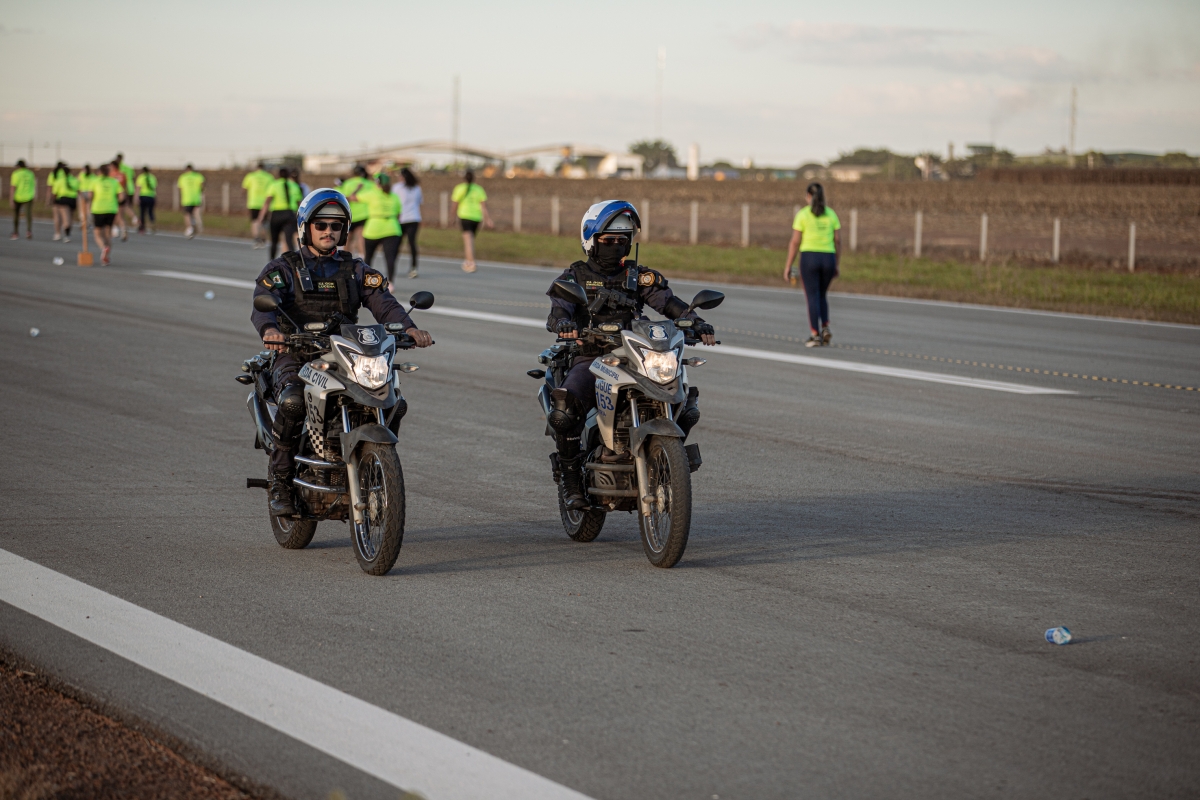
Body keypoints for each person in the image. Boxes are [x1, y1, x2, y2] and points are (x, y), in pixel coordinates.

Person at [250, 189, 434, 516]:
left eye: (336, 225)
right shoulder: (284, 269)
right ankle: (281, 480)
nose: (328, 231)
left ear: (344, 231)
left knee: (394, 401)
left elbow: (384, 304)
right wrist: (271, 332)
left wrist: (408, 329)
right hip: (296, 352)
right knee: (292, 401)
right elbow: (262, 307)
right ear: (306, 227)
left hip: (345, 353)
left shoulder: (355, 269)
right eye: (321, 224)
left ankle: (374, 465)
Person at [544, 200, 717, 509]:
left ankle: (667, 459)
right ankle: (571, 480)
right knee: (565, 409)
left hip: (637, 357)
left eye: (622, 240)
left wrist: (695, 321)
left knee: (686, 403)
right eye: (609, 240)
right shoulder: (575, 276)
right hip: (593, 358)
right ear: (592, 240)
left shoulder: (639, 277)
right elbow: (559, 311)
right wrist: (565, 325)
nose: (616, 246)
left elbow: (669, 304)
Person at [783, 182, 841, 347]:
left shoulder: (803, 214)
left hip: (809, 258)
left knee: (812, 296)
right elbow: (837, 240)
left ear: (808, 196)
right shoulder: (831, 214)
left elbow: (795, 242)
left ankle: (815, 334)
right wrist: (836, 263)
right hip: (828, 257)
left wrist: (788, 265)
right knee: (822, 294)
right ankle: (825, 326)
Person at [362, 174, 403, 289]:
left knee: (368, 257)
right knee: (390, 258)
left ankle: (366, 281)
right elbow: (399, 213)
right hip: (392, 228)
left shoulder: (372, 194)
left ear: (377, 183)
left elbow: (354, 197)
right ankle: (390, 283)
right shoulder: (394, 196)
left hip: (373, 228)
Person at [450, 170, 492, 272]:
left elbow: (455, 205)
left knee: (468, 240)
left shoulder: (459, 188)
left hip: (465, 216)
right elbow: (483, 207)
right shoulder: (479, 189)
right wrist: (487, 219)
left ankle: (471, 262)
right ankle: (467, 260)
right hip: (476, 218)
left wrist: (452, 217)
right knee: (470, 239)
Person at [258, 167, 302, 259]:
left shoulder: (274, 185)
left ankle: (271, 261)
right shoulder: (294, 186)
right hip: (290, 214)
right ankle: (293, 261)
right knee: (289, 240)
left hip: (276, 214)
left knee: (274, 241)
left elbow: (267, 202)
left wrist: (261, 216)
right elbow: (299, 204)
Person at [90, 164, 125, 265]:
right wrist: (117, 203)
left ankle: (103, 248)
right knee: (108, 233)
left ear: (99, 172)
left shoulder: (95, 181)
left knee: (97, 233)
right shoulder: (114, 182)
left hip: (98, 209)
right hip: (111, 209)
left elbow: (90, 195)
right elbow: (121, 196)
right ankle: (106, 257)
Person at [394, 167, 423, 278]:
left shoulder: (397, 187)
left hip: (401, 219)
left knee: (397, 244)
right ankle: (414, 268)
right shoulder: (417, 188)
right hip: (414, 218)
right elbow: (419, 203)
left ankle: (392, 266)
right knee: (412, 244)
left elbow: (393, 202)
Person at [340, 165, 370, 258]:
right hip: (364, 214)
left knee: (347, 239)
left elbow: (344, 198)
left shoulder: (348, 183)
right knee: (361, 238)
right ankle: (363, 258)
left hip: (349, 214)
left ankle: (346, 260)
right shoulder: (369, 184)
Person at [242, 161, 273, 248]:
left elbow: (244, 189)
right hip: (265, 203)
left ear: (257, 168)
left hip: (253, 202)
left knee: (254, 221)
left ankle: (256, 238)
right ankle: (263, 239)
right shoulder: (269, 177)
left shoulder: (250, 176)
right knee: (264, 222)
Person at [50, 163, 79, 242]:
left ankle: (60, 234)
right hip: (72, 200)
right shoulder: (74, 179)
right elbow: (78, 189)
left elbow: (54, 192)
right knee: (70, 218)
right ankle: (68, 233)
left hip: (63, 200)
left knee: (63, 218)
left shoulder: (59, 181)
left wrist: (52, 200)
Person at [114, 153, 138, 240]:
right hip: (127, 191)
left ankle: (116, 229)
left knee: (118, 213)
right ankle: (133, 218)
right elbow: (132, 178)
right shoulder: (128, 168)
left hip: (117, 194)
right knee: (124, 208)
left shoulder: (114, 173)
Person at [9, 160, 36, 240]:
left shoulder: (16, 174)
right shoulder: (30, 173)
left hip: (18, 197)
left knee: (16, 215)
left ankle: (15, 232)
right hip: (28, 196)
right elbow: (33, 185)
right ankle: (28, 231)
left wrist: (11, 199)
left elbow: (13, 187)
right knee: (28, 215)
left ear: (18, 166)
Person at [177, 164, 205, 238]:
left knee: (187, 214)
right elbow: (202, 186)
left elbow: (180, 187)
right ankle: (197, 226)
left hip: (187, 198)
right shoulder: (198, 176)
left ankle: (189, 228)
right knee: (196, 213)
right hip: (196, 198)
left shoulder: (183, 177)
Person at [135, 166, 158, 233]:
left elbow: (138, 188)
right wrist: (155, 197)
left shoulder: (141, 177)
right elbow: (154, 188)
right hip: (151, 196)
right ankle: (152, 224)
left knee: (142, 212)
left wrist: (136, 196)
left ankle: (142, 227)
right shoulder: (152, 177)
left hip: (143, 195)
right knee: (150, 211)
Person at [76, 164, 96, 228]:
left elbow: (77, 184)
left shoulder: (81, 175)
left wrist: (78, 192)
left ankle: (83, 222)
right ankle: (88, 222)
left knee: (82, 209)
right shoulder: (93, 176)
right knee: (89, 209)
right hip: (89, 192)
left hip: (82, 192)